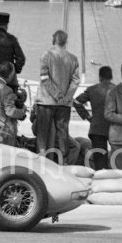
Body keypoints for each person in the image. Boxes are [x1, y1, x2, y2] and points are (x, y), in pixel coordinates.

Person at [35, 30, 80, 163]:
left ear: (53, 40)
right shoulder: (73, 58)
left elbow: (44, 77)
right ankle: (63, 163)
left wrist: (56, 95)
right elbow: (76, 80)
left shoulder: (46, 55)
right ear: (66, 41)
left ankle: (41, 163)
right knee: (63, 134)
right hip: (64, 104)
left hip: (46, 101)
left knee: (42, 136)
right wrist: (66, 96)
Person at [73, 66, 115, 169]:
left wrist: (88, 117)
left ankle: (100, 178)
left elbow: (76, 102)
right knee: (117, 157)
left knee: (99, 161)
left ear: (100, 77)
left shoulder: (92, 89)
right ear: (111, 76)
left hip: (97, 128)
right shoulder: (117, 90)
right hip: (114, 128)